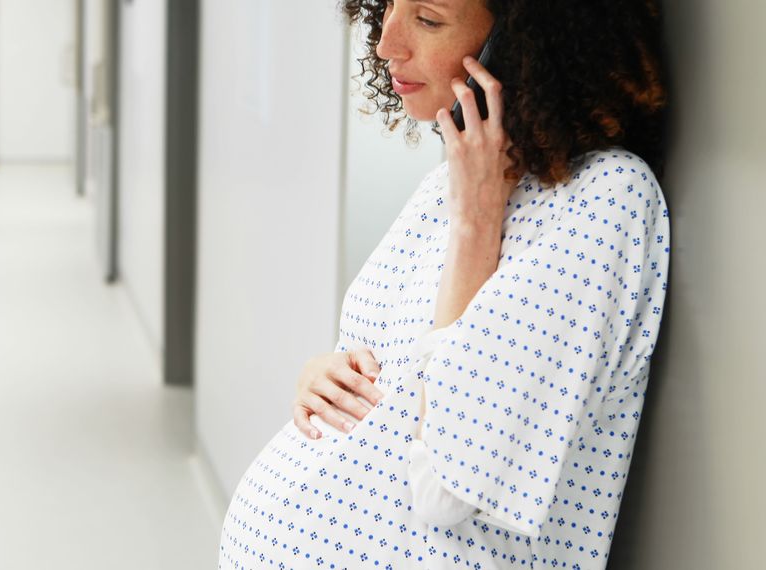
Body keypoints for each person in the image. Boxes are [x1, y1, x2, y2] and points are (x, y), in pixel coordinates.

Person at [218, 0, 670, 568]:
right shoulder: (449, 184)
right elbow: (396, 376)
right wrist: (323, 378)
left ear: (519, 46)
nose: (387, 44)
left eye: (428, 20)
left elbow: (448, 487)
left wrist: (477, 226)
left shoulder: (604, 202)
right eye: (387, 7)